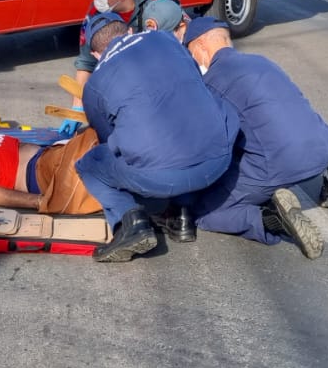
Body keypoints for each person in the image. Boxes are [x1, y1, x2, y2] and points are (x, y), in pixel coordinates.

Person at [75, 15, 238, 262]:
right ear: (129, 31)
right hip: (217, 162)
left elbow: (109, 142)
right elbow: (195, 80)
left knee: (91, 164)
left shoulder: (94, 85)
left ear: (96, 55)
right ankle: (182, 215)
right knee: (201, 108)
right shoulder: (164, 39)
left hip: (161, 179)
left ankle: (129, 221)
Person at [182, 15, 328, 260]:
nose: (194, 60)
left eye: (191, 52)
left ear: (202, 46)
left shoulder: (212, 82)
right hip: (324, 145)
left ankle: (271, 220)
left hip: (278, 163)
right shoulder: (263, 62)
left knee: (206, 213)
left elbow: (213, 143)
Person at [71, 0, 180, 108]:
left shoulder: (156, 5)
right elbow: (86, 62)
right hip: (122, 80)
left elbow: (179, 46)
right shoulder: (96, 14)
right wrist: (77, 107)